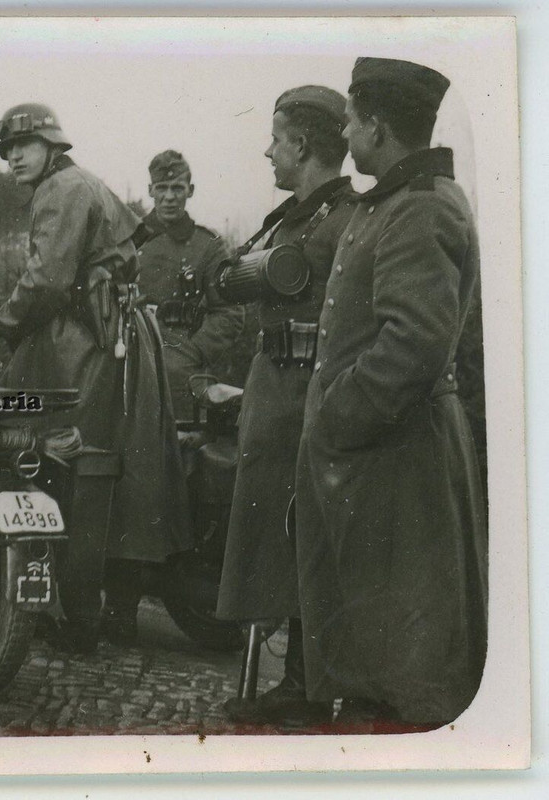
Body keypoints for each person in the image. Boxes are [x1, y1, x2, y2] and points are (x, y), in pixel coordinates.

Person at [295, 57, 487, 730]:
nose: (344, 134)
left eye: (348, 120)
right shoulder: (399, 200)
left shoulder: (419, 208)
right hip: (378, 458)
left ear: (375, 127)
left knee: (406, 660)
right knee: (376, 639)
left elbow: (411, 343)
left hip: (395, 459)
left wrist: (338, 416)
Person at [0, 103, 191, 653]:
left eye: (23, 146)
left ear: (52, 145)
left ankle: (75, 619)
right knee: (119, 473)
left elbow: (47, 279)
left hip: (92, 343)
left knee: (68, 466)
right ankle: (105, 613)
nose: (12, 158)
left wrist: (6, 324)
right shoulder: (78, 184)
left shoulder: (61, 188)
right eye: (7, 150)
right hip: (115, 338)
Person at [213, 86, 357, 726]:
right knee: (270, 535)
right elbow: (227, 275)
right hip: (272, 390)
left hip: (313, 394)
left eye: (276, 138)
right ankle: (290, 684)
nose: (267, 150)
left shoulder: (350, 216)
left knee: (309, 536)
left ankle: (306, 685)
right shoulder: (285, 219)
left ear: (302, 145)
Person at [132, 151, 244, 418]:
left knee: (182, 447)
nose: (169, 197)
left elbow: (230, 313)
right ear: (150, 190)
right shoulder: (129, 240)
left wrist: (192, 351)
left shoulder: (207, 246)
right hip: (131, 360)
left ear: (190, 190)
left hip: (182, 373)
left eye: (177, 188)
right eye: (161, 188)